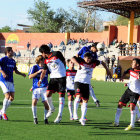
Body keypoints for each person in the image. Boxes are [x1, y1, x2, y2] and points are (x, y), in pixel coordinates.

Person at [71, 52, 111, 125]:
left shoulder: (94, 62)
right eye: (87, 58)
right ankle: (75, 113)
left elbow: (102, 62)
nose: (88, 60)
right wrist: (78, 64)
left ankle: (82, 118)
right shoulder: (80, 60)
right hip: (78, 82)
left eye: (90, 58)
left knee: (85, 101)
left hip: (86, 84)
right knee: (78, 96)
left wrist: (107, 70)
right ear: (84, 58)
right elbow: (72, 58)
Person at [38, 44, 66, 123]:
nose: (42, 55)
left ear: (43, 52)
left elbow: (63, 61)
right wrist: (40, 80)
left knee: (61, 96)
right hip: (53, 78)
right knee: (47, 94)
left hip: (61, 77)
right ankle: (52, 108)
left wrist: (63, 71)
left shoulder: (56, 53)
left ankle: (59, 115)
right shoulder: (45, 60)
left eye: (41, 53)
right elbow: (44, 71)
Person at [111, 58, 140, 131]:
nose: (131, 64)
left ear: (137, 65)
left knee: (132, 107)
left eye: (133, 63)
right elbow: (126, 71)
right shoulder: (131, 69)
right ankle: (116, 122)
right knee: (120, 104)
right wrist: (123, 77)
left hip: (135, 93)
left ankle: (132, 125)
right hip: (129, 90)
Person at [0, 47, 26, 120]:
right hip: (3, 80)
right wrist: (2, 72)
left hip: (11, 81)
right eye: (12, 51)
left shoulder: (13, 61)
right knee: (7, 96)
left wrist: (22, 74)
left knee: (11, 98)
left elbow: (15, 71)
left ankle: (1, 111)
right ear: (8, 52)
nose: (13, 52)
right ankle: (4, 113)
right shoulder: (3, 59)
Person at [28, 55, 49, 124]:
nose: (45, 60)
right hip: (36, 88)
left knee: (46, 104)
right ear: (40, 60)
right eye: (43, 59)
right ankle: (35, 118)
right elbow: (30, 77)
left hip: (45, 88)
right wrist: (38, 72)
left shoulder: (46, 67)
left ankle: (45, 118)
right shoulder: (34, 67)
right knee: (34, 102)